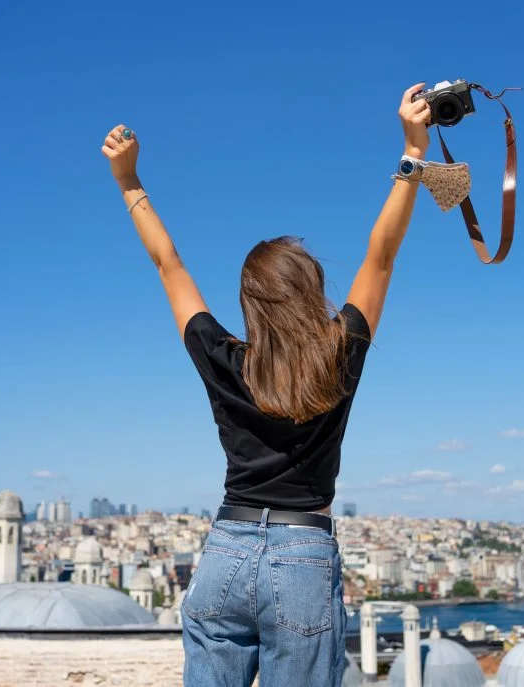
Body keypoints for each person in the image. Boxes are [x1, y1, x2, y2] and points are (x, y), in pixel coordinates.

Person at [100, 83, 432, 687]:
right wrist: (412, 152)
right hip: (302, 554)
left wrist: (129, 181)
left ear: (249, 304)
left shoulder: (223, 359)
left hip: (225, 549)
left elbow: (168, 264)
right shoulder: (338, 353)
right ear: (312, 291)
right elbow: (380, 258)